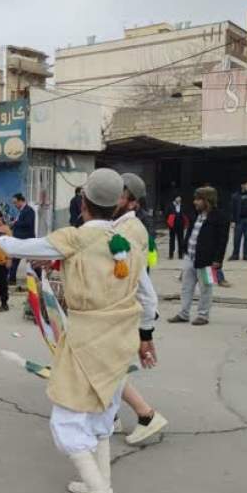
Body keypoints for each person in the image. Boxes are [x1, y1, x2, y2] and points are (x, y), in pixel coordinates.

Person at [0, 168, 158, 493]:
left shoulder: (74, 237)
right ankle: (100, 485)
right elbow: (148, 298)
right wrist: (146, 335)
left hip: (89, 339)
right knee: (102, 414)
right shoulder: (128, 240)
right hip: (122, 338)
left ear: (83, 202)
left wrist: (0, 238)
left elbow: (20, 247)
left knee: (67, 419)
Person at [112, 173, 169, 445]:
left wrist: (146, 334)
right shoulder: (116, 225)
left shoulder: (130, 231)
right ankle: (112, 416)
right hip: (114, 313)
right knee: (106, 368)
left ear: (133, 203)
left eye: (120, 194)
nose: (114, 198)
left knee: (105, 368)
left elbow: (145, 288)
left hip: (121, 314)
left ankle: (146, 415)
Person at [168, 187, 229, 325]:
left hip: (207, 260)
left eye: (198, 199)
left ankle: (203, 315)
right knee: (186, 286)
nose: (195, 202)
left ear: (207, 200)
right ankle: (183, 313)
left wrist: (218, 260)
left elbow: (222, 241)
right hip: (190, 257)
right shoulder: (195, 214)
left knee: (206, 287)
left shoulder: (220, 217)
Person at [8, 193, 36, 286]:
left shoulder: (29, 210)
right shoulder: (22, 211)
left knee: (32, 261)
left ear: (21, 201)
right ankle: (11, 279)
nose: (15, 205)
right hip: (19, 240)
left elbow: (28, 224)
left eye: (15, 203)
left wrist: (15, 224)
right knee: (15, 260)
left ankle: (40, 279)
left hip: (26, 240)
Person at [166, 195, 188, 259]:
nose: (179, 200)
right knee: (172, 240)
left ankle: (181, 254)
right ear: (175, 198)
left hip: (180, 225)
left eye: (180, 199)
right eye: (178, 198)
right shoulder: (170, 206)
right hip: (172, 225)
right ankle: (171, 255)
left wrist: (185, 223)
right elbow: (166, 214)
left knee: (181, 240)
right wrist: (169, 223)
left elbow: (184, 214)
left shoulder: (182, 206)